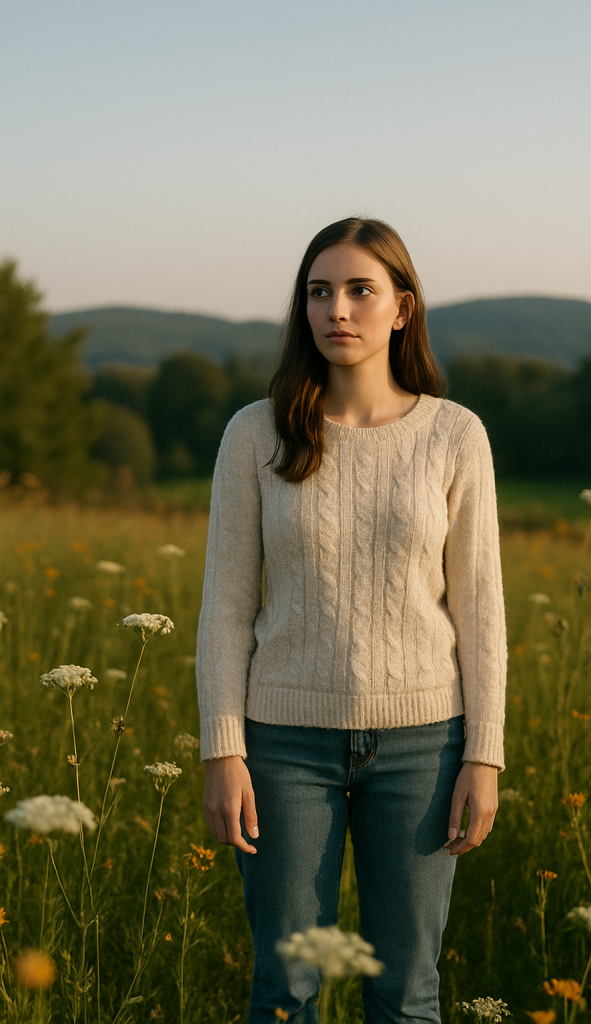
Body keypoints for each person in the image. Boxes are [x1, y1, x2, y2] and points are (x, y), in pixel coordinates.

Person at [196, 217, 507, 1024]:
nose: (337, 308)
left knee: (406, 994)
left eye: (360, 290)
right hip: (282, 746)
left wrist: (485, 756)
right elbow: (226, 607)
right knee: (285, 989)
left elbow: (479, 608)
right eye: (318, 291)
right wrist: (221, 748)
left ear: (401, 307)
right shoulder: (255, 433)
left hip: (423, 746)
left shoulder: (453, 435)